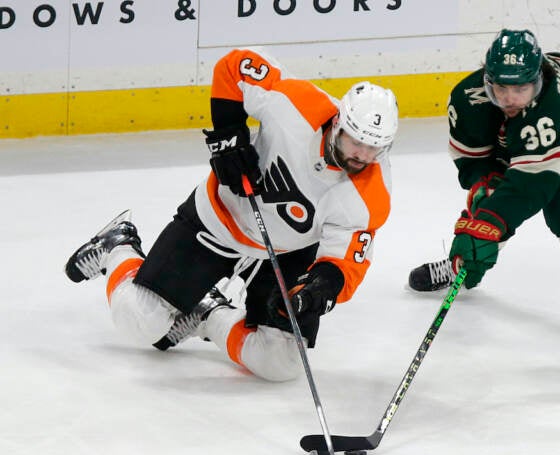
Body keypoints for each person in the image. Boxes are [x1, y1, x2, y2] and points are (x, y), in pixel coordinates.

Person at [64, 48, 398, 381]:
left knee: (280, 365)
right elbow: (235, 66)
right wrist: (229, 134)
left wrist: (318, 291)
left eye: (375, 148)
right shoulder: (296, 104)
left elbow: (345, 263)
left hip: (285, 252)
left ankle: (209, 314)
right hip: (218, 222)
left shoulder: (372, 194)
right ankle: (118, 245)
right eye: (356, 142)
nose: (363, 155)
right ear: (338, 121)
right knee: (139, 322)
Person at [407, 29, 560, 366]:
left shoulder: (552, 106)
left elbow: (534, 185)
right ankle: (465, 269)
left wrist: (488, 222)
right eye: (500, 88)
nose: (509, 98)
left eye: (520, 89)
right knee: (492, 200)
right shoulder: (467, 100)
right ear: (487, 80)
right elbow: (471, 160)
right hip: (537, 136)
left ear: (538, 79)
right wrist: (485, 190)